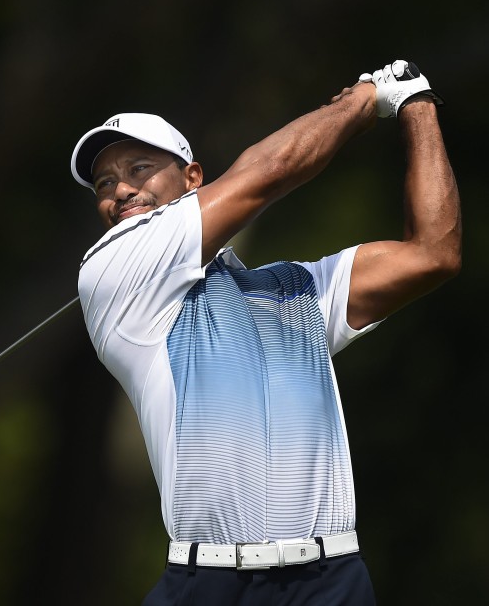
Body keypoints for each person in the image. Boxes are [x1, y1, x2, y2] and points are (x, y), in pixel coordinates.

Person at [70, 60, 461, 605]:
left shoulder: (294, 292)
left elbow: (433, 254)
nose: (121, 191)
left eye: (139, 169)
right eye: (105, 183)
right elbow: (270, 172)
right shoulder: (111, 274)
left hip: (331, 581)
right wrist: (364, 100)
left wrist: (416, 106)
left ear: (192, 179)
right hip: (209, 583)